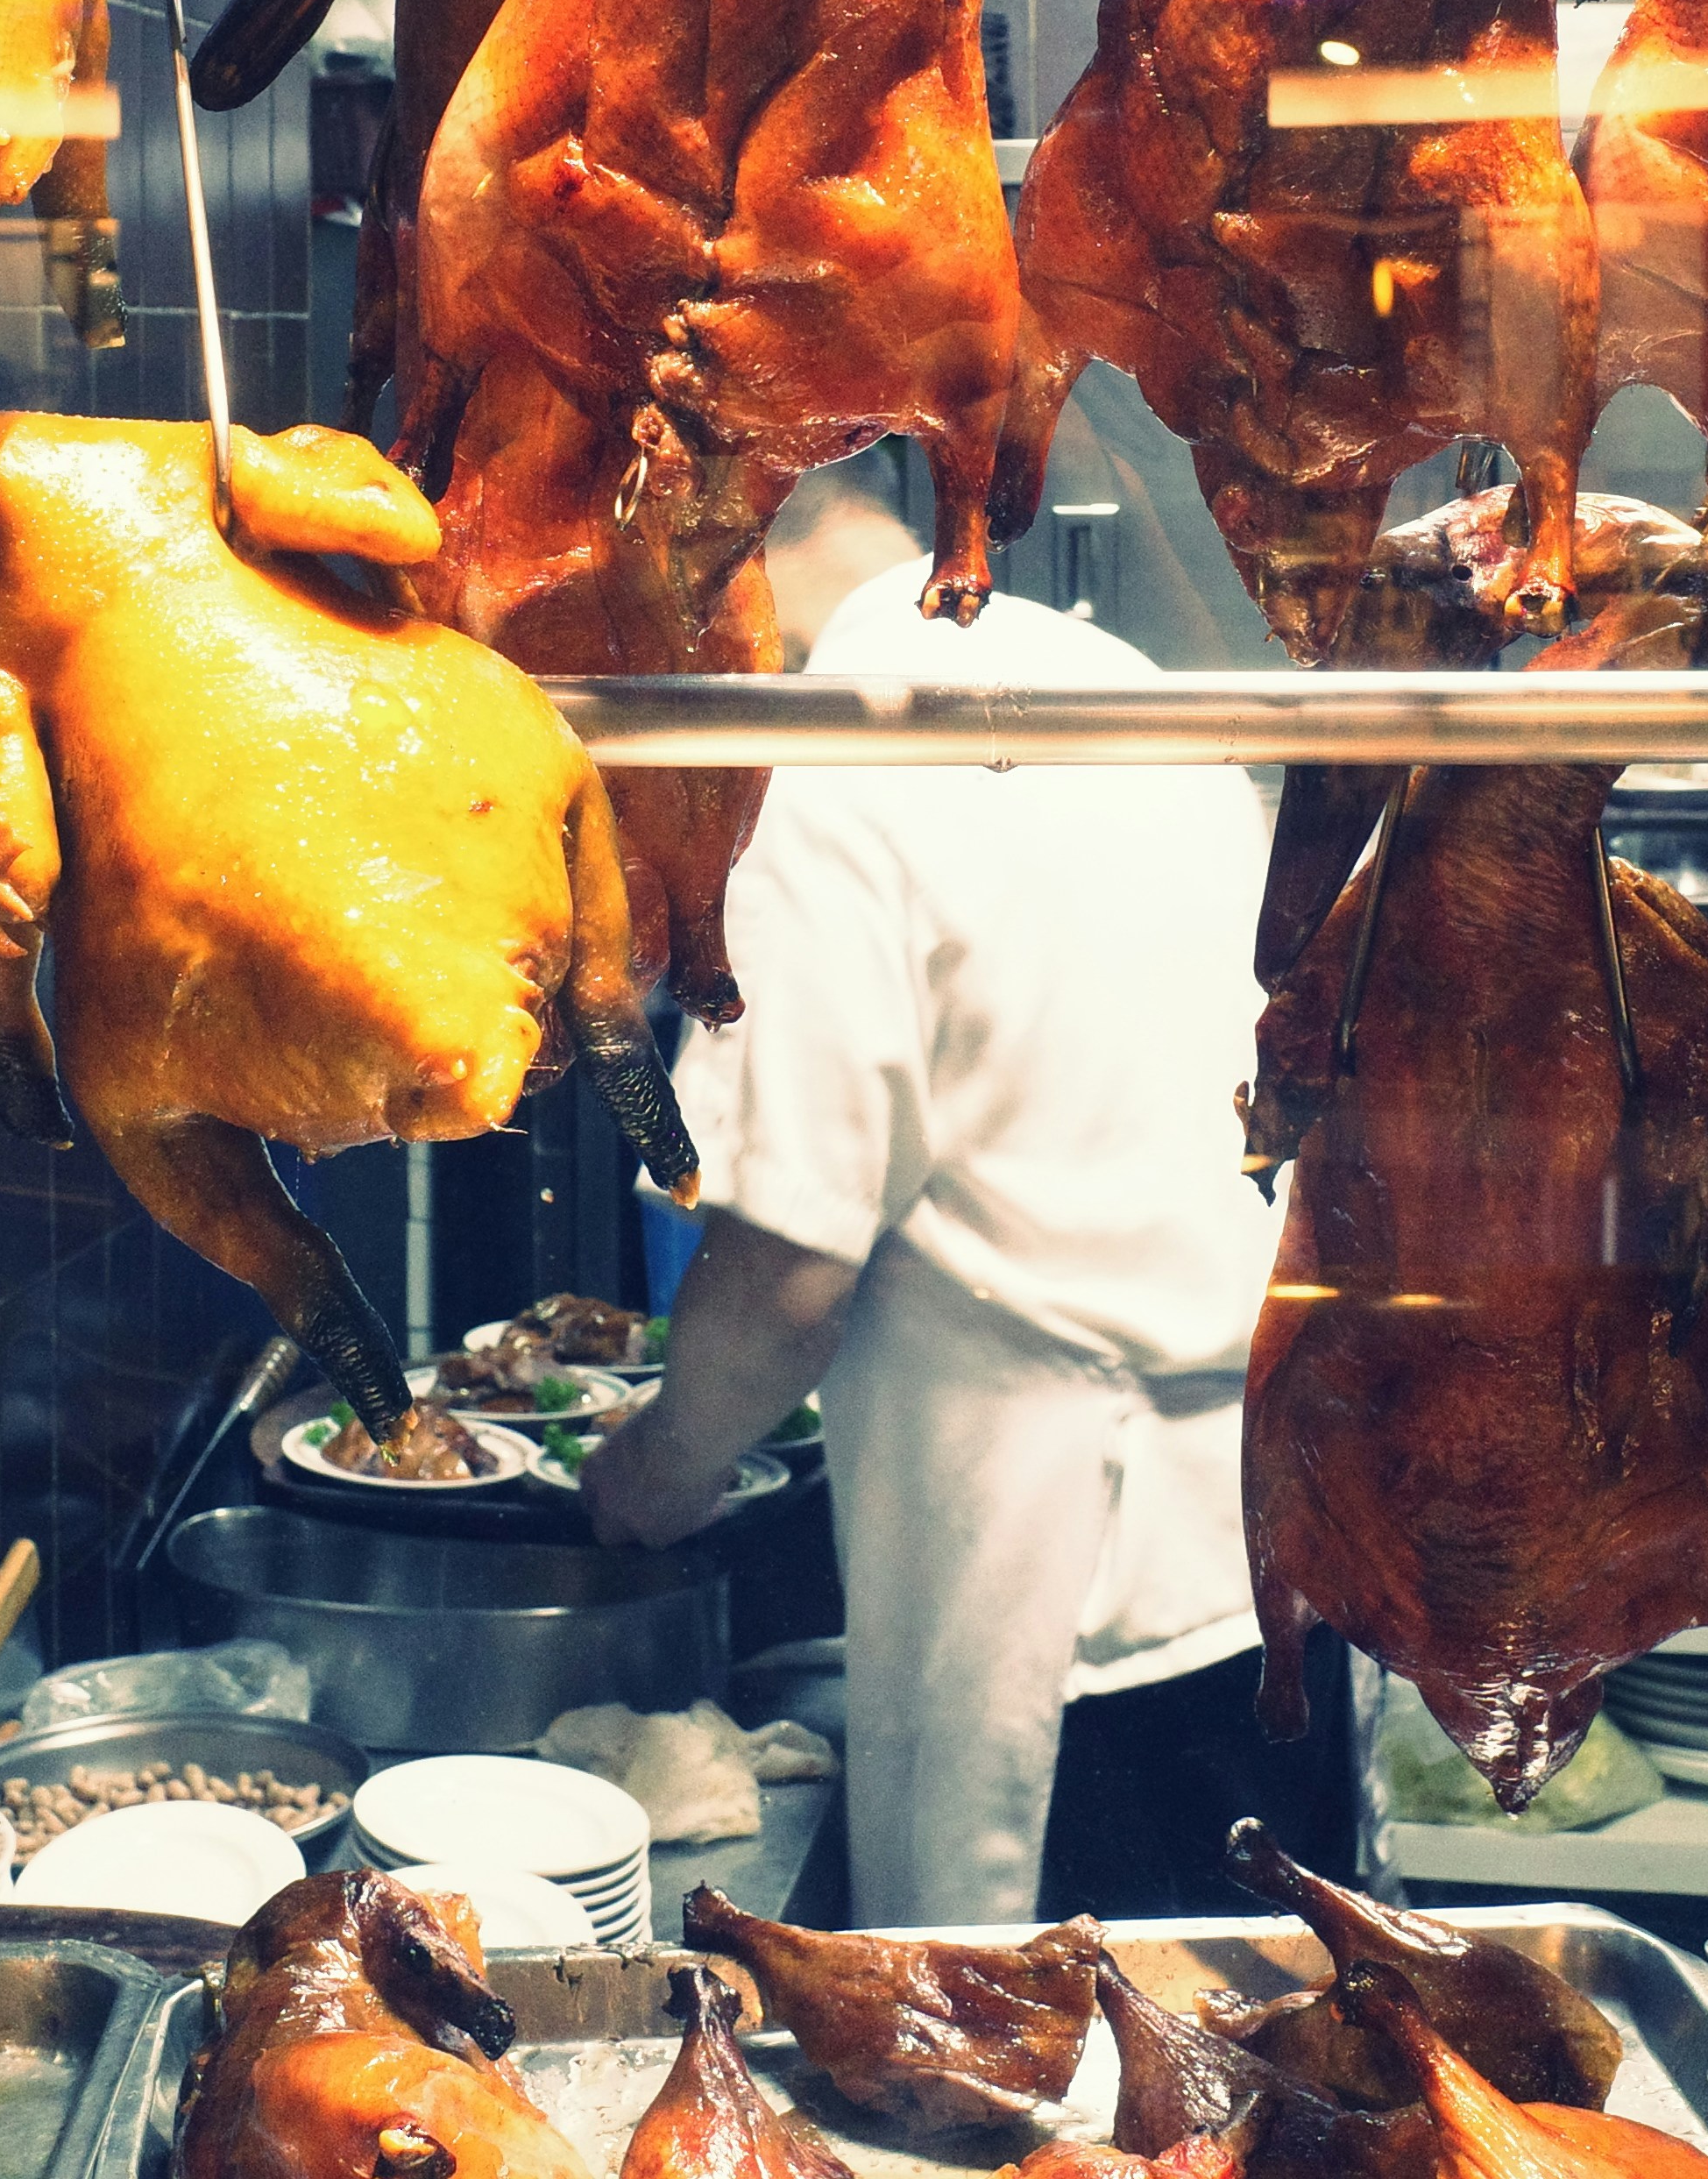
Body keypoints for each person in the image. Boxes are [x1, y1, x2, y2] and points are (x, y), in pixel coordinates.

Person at [578, 444, 1348, 1924]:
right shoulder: (1109, 675)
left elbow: (793, 1271)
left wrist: (660, 1472)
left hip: (1060, 1614)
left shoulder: (827, 760)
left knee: (1044, 2118)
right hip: (1277, 1561)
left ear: (692, 543)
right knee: (1274, 2090)